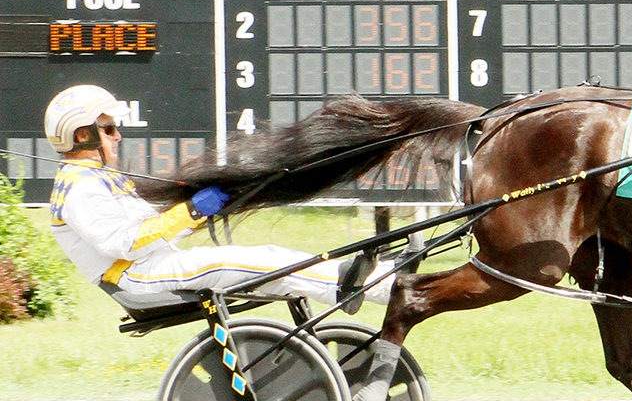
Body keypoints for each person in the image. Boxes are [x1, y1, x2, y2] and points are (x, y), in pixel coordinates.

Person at [44, 84, 394, 308]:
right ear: (80, 135)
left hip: (150, 266)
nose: (117, 136)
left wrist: (197, 210)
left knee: (266, 259)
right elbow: (127, 243)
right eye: (108, 129)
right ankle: (370, 286)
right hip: (135, 277)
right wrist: (192, 211)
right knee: (252, 261)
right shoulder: (81, 188)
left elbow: (151, 231)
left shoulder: (96, 178)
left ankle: (374, 276)